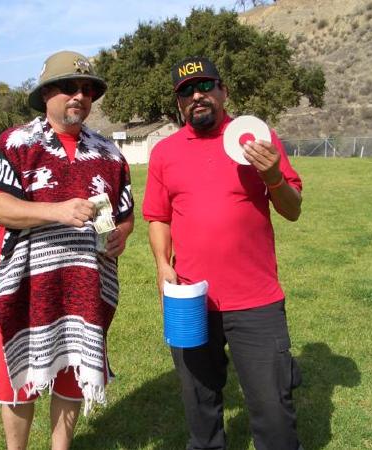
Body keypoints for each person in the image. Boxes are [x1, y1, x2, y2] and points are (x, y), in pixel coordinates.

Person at [0, 50, 134, 450]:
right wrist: (56, 211)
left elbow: (126, 213)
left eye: (87, 90)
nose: (80, 96)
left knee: (74, 375)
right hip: (28, 286)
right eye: (68, 87)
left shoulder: (109, 152)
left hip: (85, 286)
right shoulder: (16, 142)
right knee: (20, 380)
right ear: (46, 94)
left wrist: (122, 235)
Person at [142, 56, 304, 450]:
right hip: (190, 300)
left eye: (205, 86)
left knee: (273, 409)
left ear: (223, 91)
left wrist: (272, 176)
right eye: (186, 91)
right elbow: (158, 217)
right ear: (178, 103)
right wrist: (162, 264)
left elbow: (293, 209)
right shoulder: (165, 152)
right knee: (199, 405)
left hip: (256, 299)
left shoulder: (256, 138)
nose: (196, 96)